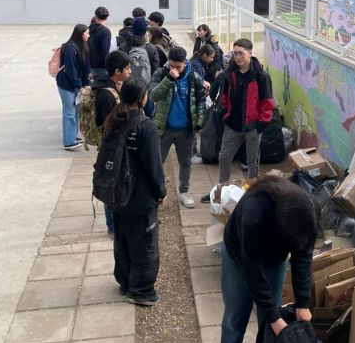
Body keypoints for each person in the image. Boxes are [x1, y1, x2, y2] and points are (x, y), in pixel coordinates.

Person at [214, 175, 316, 343]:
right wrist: (273, 315)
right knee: (236, 312)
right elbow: (252, 269)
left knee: (272, 318)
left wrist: (303, 302)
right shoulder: (255, 211)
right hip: (240, 257)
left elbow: (303, 256)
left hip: (274, 260)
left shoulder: (305, 211)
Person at [103, 78, 166, 306]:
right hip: (139, 198)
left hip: (117, 194)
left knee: (123, 240)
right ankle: (141, 290)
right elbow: (153, 166)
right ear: (142, 99)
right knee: (145, 246)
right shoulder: (145, 126)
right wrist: (161, 191)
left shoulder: (114, 119)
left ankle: (125, 282)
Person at [201, 39, 273, 203]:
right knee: (224, 158)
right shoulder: (230, 74)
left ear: (250, 54)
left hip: (253, 127)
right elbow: (224, 96)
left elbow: (267, 102)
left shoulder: (261, 76)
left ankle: (250, 194)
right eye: (235, 53)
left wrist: (261, 124)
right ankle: (221, 191)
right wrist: (225, 113)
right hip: (232, 126)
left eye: (241, 53)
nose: (237, 57)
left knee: (252, 162)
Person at [149, 46, 206, 209]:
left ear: (185, 63)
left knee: (185, 162)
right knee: (157, 162)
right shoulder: (161, 74)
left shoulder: (193, 77)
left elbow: (201, 101)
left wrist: (199, 122)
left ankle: (184, 191)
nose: (174, 69)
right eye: (171, 65)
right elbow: (153, 95)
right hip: (163, 128)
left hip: (186, 130)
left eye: (178, 67)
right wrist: (169, 79)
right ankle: (155, 193)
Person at [94, 50, 132, 236]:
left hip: (113, 145)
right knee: (112, 183)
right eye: (127, 68)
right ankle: (112, 227)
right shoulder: (106, 95)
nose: (130, 72)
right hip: (110, 147)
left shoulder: (111, 86)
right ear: (117, 71)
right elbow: (111, 125)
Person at [56, 24, 91, 151]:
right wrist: (79, 85)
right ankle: (68, 141)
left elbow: (86, 68)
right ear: (80, 34)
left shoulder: (84, 46)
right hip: (66, 84)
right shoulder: (71, 48)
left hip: (75, 84)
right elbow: (71, 70)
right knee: (69, 112)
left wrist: (85, 84)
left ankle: (73, 136)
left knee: (75, 110)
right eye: (87, 33)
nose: (89, 35)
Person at [88, 6, 111, 80]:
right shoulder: (105, 31)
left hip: (89, 64)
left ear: (95, 17)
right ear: (107, 17)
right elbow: (105, 51)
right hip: (101, 66)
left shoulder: (88, 29)